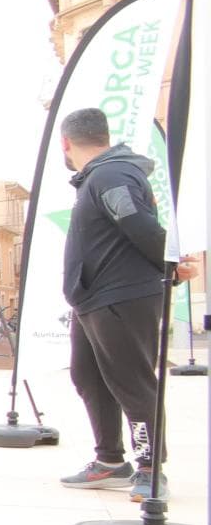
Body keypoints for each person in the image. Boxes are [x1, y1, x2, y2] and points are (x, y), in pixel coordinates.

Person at [55, 107, 175, 502]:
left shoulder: (110, 174)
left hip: (121, 297)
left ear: (66, 143)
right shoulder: (101, 175)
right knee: (88, 376)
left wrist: (171, 265)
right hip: (93, 300)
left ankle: (149, 468)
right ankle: (110, 461)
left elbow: (136, 222)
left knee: (131, 382)